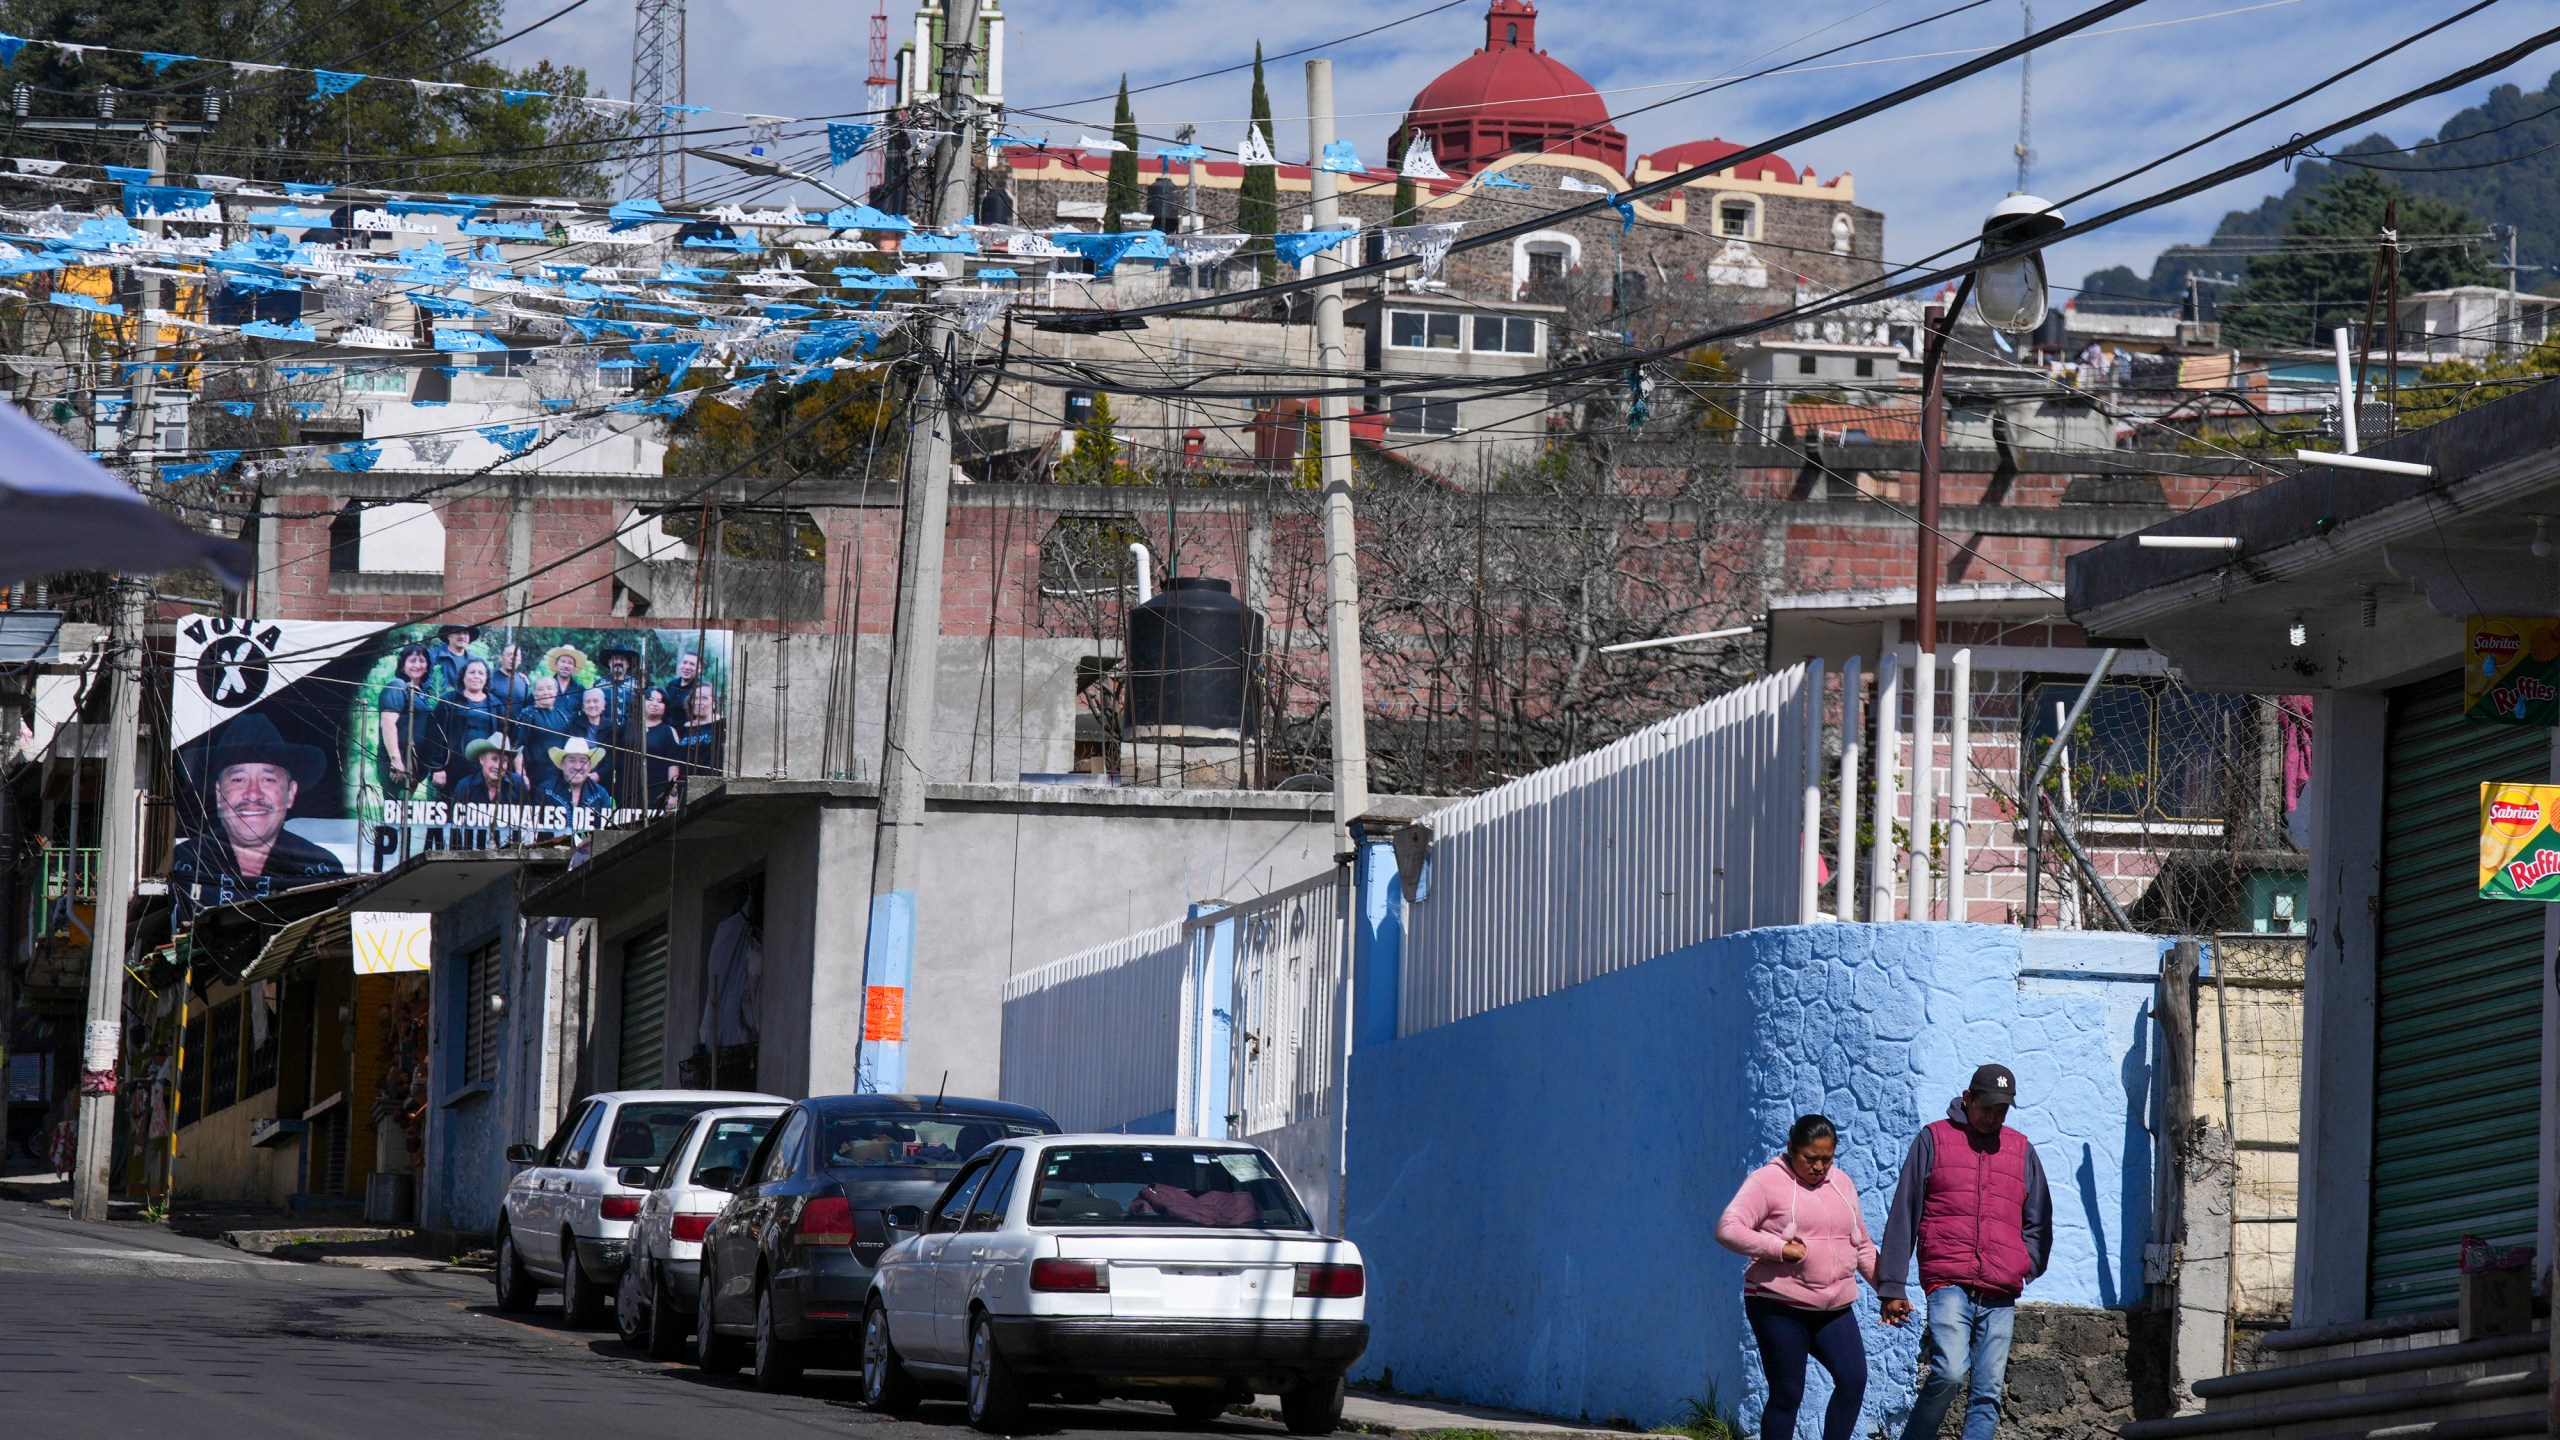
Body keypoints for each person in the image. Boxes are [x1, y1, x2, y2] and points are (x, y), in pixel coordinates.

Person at [1877, 1064, 2053, 1440]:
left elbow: (2039, 1217)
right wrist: (1892, 1285)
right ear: (1968, 1098)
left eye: (2001, 1111)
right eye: (1986, 1108)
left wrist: (2027, 1264)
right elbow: (1905, 1211)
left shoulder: (2021, 1149)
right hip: (1948, 1282)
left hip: (2001, 1287)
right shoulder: (1933, 1139)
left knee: (1987, 1393)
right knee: (1951, 1371)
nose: (1992, 1117)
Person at [1716, 1115, 1878, 1440]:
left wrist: (1889, 1291)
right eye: (1811, 1158)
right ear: (1792, 1148)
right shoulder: (1766, 1182)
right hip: (1778, 1305)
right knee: (1788, 1394)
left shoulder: (1842, 1183)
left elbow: (1860, 1243)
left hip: (1833, 1308)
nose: (1819, 1167)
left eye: (1827, 1159)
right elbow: (1727, 1228)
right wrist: (1777, 1248)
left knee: (1853, 1379)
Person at [168, 713, 345, 922]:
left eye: (268, 779)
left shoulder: (320, 868)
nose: (253, 794)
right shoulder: (184, 861)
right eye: (239, 779)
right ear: (218, 793)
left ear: (290, 793)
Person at [429, 658, 505, 795]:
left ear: (486, 678)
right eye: (472, 672)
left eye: (481, 673)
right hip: (452, 770)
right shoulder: (448, 701)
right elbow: (435, 736)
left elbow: (503, 740)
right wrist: (437, 768)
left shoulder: (496, 705)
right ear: (463, 676)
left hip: (485, 772)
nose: (476, 676)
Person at [375, 642, 437, 802]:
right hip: (397, 763)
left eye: (422, 660)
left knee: (404, 813)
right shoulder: (397, 686)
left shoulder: (421, 693)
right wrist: (396, 760)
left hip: (414, 763)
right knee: (394, 812)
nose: (418, 665)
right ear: (402, 665)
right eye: (412, 660)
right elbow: (387, 723)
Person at [513, 674, 576, 797]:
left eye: (549, 688)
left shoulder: (562, 716)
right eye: (540, 689)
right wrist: (522, 776)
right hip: (532, 777)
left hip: (557, 778)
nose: (545, 692)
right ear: (534, 693)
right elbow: (517, 749)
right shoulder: (527, 715)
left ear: (556, 692)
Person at [541, 736, 617, 821]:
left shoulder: (600, 794)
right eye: (572, 760)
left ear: (589, 766)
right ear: (562, 764)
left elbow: (607, 830)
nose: (577, 767)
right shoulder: (546, 791)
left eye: (583, 761)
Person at [674, 680, 725, 796]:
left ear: (713, 703)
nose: (698, 702)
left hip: (711, 787)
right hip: (686, 788)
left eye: (704, 698)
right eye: (695, 698)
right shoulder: (684, 728)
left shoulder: (723, 724)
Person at [450, 735, 528, 807]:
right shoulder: (465, 786)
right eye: (494, 759)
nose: (498, 766)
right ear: (482, 759)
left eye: (503, 760)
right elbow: (456, 820)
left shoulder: (518, 785)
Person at [640, 684, 683, 809]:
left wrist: (672, 794)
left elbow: (673, 765)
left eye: (660, 701)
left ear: (665, 706)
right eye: (650, 699)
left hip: (657, 792)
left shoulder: (669, 731)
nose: (654, 704)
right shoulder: (627, 727)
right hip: (627, 790)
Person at [427, 623, 479, 698]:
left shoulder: (473, 660)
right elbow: (427, 683)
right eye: (458, 632)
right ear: (448, 635)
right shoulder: (433, 655)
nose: (462, 636)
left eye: (465, 633)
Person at [540, 643, 588, 715]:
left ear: (574, 667)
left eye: (570, 663)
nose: (566, 666)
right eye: (563, 661)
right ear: (557, 664)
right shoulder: (544, 686)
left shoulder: (580, 689)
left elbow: (585, 715)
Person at [486, 641, 534, 710]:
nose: (512, 658)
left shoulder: (523, 681)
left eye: (516, 655)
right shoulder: (490, 679)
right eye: (509, 654)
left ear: (520, 660)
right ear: (501, 657)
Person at [662, 648, 705, 724]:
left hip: (688, 733)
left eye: (692, 664)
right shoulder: (671, 684)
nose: (687, 667)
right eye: (684, 662)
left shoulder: (702, 689)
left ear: (699, 669)